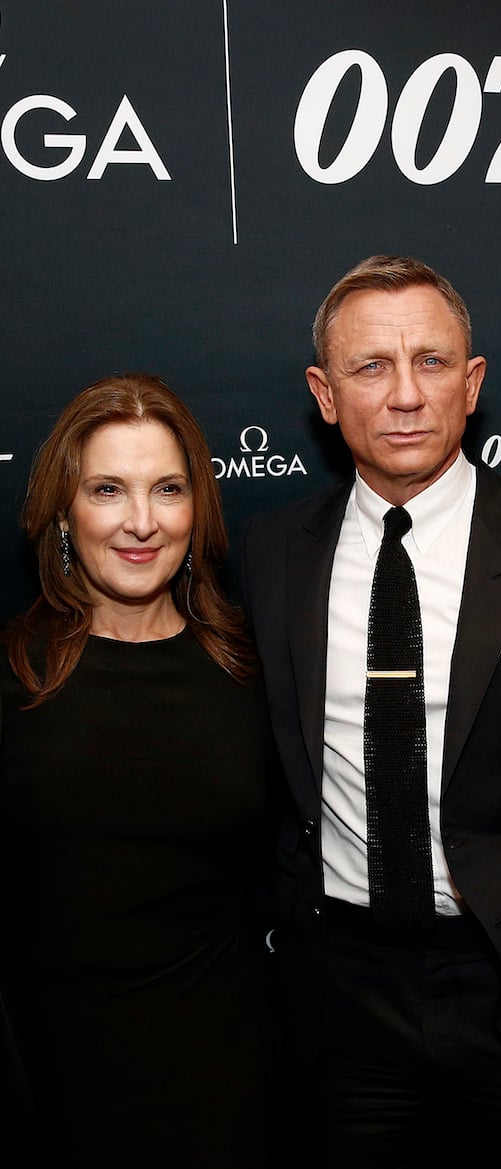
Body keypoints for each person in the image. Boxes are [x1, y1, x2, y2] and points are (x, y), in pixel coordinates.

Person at [239, 255, 501, 1164]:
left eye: (431, 362)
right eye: (371, 366)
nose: (405, 395)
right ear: (324, 395)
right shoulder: (271, 554)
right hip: (341, 994)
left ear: (471, 385)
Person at [0, 374, 277, 1168]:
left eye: (167, 488)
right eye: (108, 489)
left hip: (228, 1077)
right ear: (63, 512)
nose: (142, 521)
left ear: (198, 508)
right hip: (52, 1079)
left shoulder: (254, 669)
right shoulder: (14, 676)